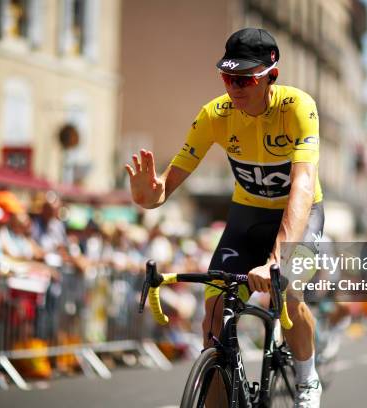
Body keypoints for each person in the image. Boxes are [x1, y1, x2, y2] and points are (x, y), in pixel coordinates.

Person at [126, 28, 324, 406]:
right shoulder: (214, 114)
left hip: (299, 213)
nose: (234, 87)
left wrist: (277, 260)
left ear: (271, 76)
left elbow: (301, 186)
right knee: (214, 314)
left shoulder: (297, 108)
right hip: (248, 216)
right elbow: (166, 184)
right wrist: (149, 197)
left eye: (244, 78)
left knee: (290, 291)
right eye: (227, 77)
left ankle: (307, 379)